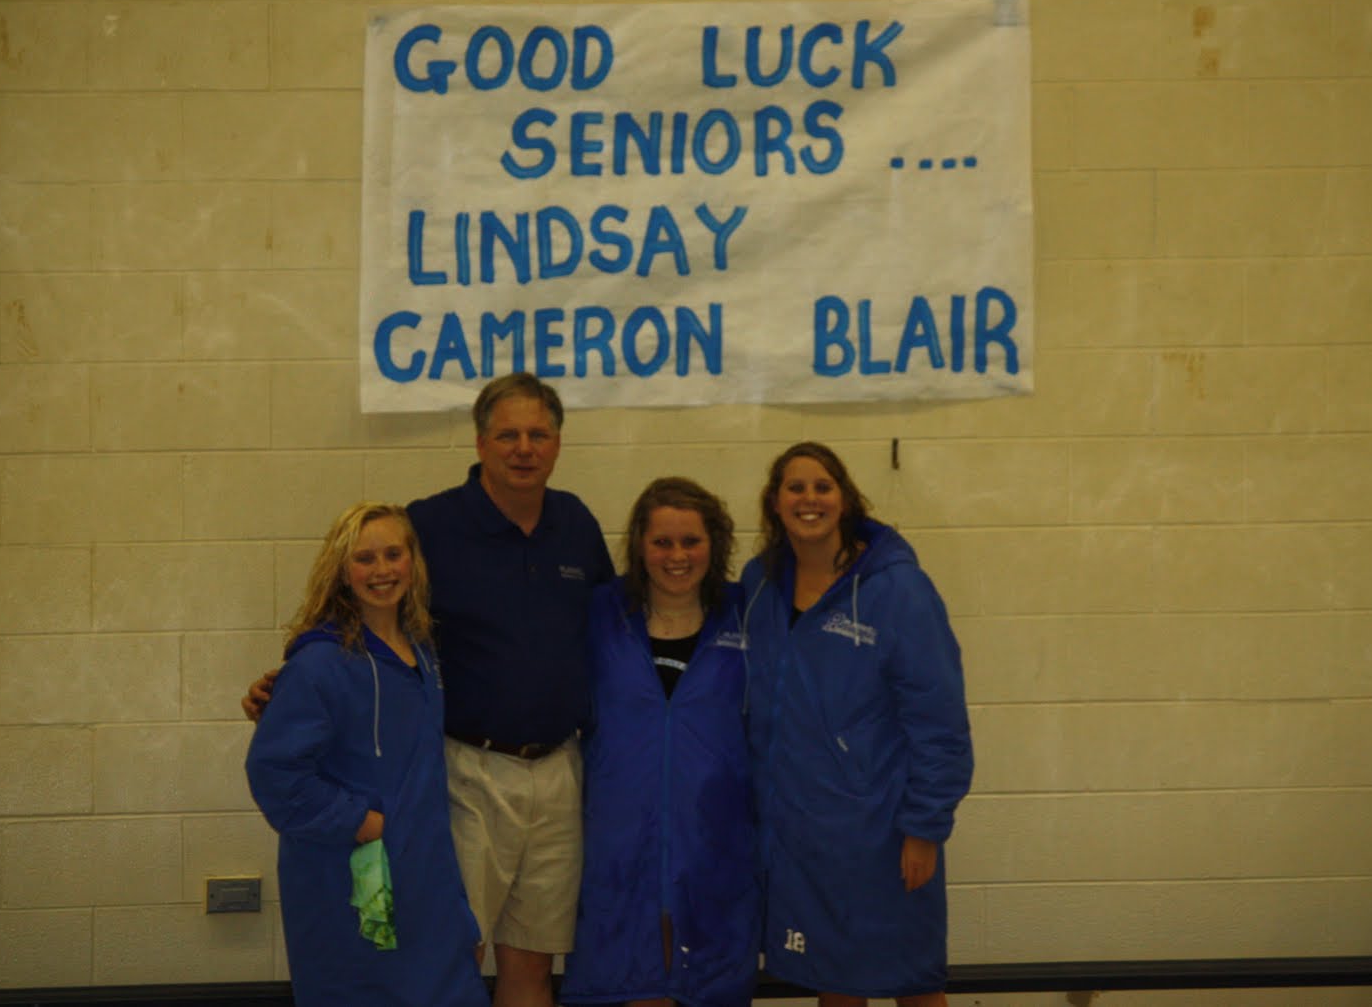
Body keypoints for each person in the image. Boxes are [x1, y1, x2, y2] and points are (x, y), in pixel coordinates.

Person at [246, 373, 615, 1007]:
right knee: (450, 954)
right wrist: (290, 680)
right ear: (480, 442)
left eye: (539, 435)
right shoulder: (430, 526)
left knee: (531, 959)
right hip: (466, 775)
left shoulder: (577, 524)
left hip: (558, 771)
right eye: (508, 435)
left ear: (557, 443)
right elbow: (361, 613)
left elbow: (612, 635)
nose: (524, 448)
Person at [740, 442, 973, 1007]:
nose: (809, 499)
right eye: (795, 488)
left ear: (845, 500)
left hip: (882, 829)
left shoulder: (898, 590)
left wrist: (925, 826)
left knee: (914, 983)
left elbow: (939, 720)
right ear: (775, 503)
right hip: (800, 829)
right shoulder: (760, 585)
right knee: (835, 981)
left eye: (822, 486)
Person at [245, 502, 488, 1007]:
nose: (382, 571)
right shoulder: (320, 663)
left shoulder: (422, 652)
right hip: (352, 883)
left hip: (426, 876)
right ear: (341, 571)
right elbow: (274, 773)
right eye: (365, 558)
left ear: (413, 561)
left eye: (393, 554)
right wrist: (362, 822)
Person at [561, 478, 759, 1007]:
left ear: (714, 544)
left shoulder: (748, 614)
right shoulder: (599, 614)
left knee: (707, 983)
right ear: (639, 546)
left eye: (691, 541)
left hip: (716, 840)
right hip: (620, 838)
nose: (677, 556)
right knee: (634, 980)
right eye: (662, 542)